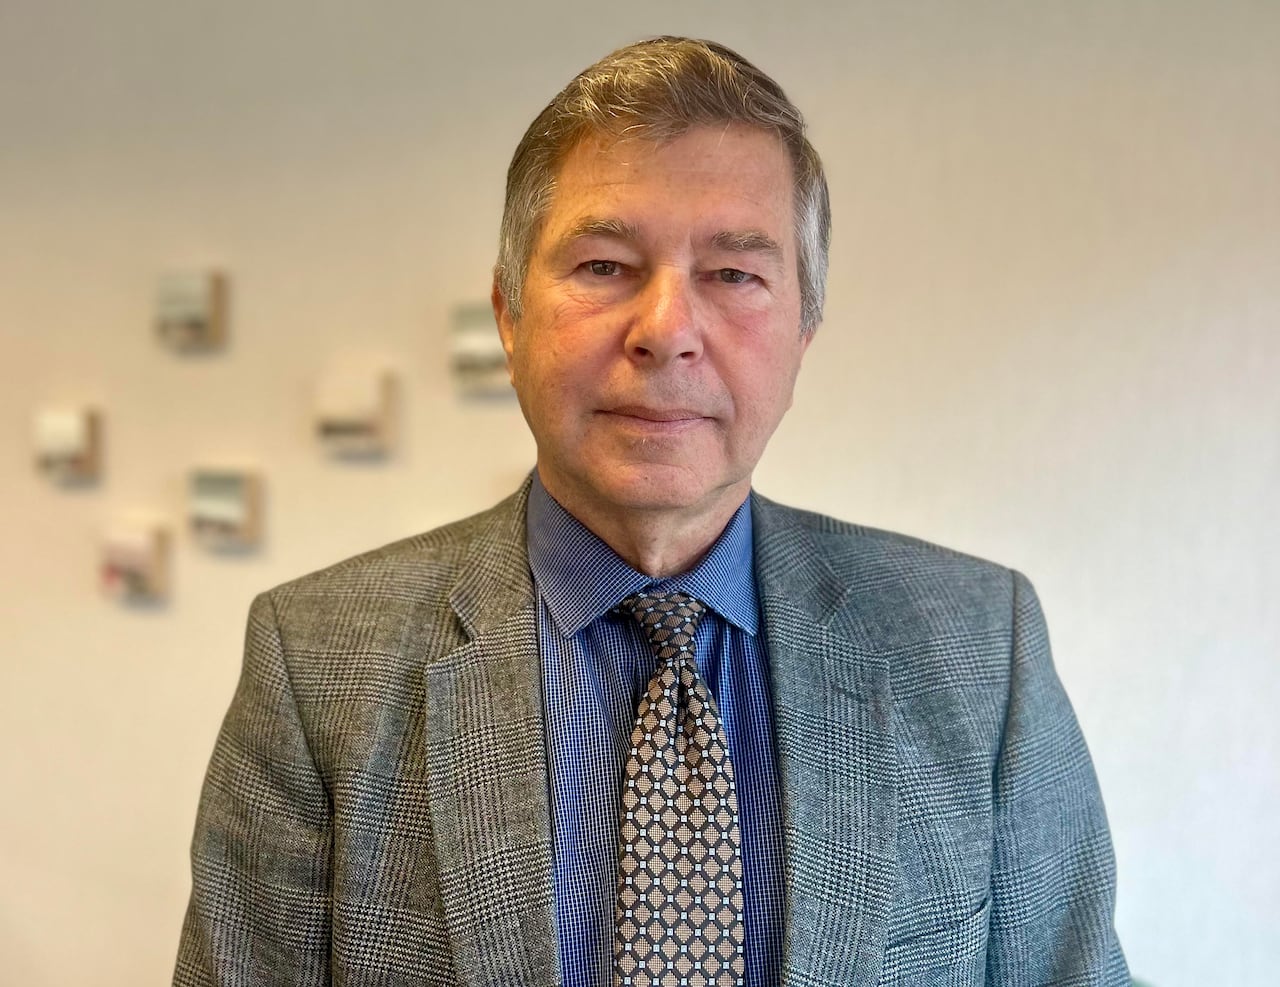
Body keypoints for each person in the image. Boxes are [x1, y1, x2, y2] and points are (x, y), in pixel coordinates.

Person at [174, 36, 1128, 987]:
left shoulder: (979, 647)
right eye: (604, 265)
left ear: (803, 330)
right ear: (508, 316)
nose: (666, 331)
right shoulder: (315, 664)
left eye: (734, 274)